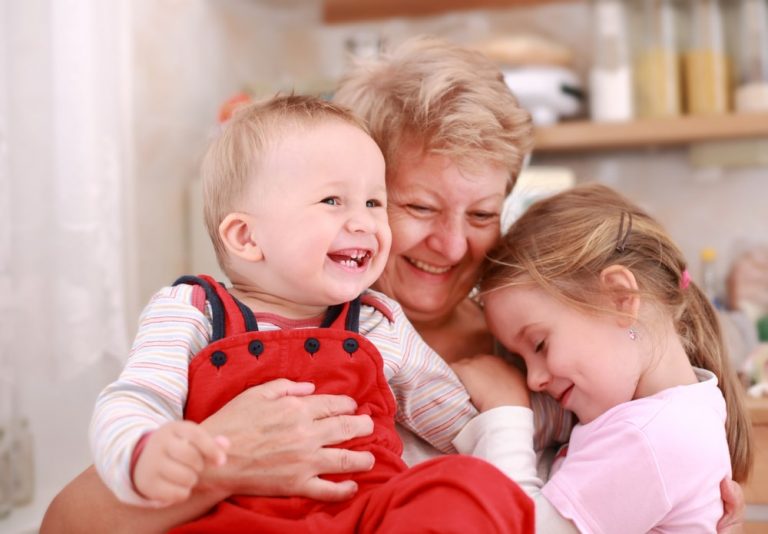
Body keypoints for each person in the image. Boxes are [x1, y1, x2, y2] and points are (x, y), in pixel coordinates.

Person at [41, 36, 745, 533]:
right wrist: (224, 465)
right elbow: (63, 526)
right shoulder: (249, 334)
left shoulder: (541, 367)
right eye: (417, 207)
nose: (449, 243)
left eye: (481, 214)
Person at [87, 94, 534, 533]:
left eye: (373, 203)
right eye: (332, 201)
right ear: (246, 236)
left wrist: (553, 412)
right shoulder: (191, 312)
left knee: (468, 484)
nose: (363, 222)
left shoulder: (379, 321)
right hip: (240, 522)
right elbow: (137, 398)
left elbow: (459, 420)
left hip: (366, 517)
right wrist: (145, 453)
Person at [453, 183, 754, 532]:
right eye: (521, 362)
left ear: (620, 296)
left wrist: (504, 411)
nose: (533, 379)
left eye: (539, 345)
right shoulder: (676, 412)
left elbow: (522, 528)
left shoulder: (648, 436)